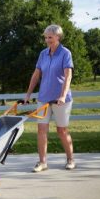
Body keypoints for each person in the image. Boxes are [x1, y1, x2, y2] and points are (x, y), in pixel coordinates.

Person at [24, 24, 75, 172]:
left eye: (50, 37)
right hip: (44, 98)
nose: (47, 40)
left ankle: (70, 159)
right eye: (46, 37)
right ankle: (42, 162)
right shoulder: (43, 54)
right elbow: (36, 74)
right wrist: (28, 93)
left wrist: (63, 95)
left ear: (58, 37)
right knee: (41, 129)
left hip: (61, 100)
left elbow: (68, 76)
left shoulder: (65, 53)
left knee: (62, 130)